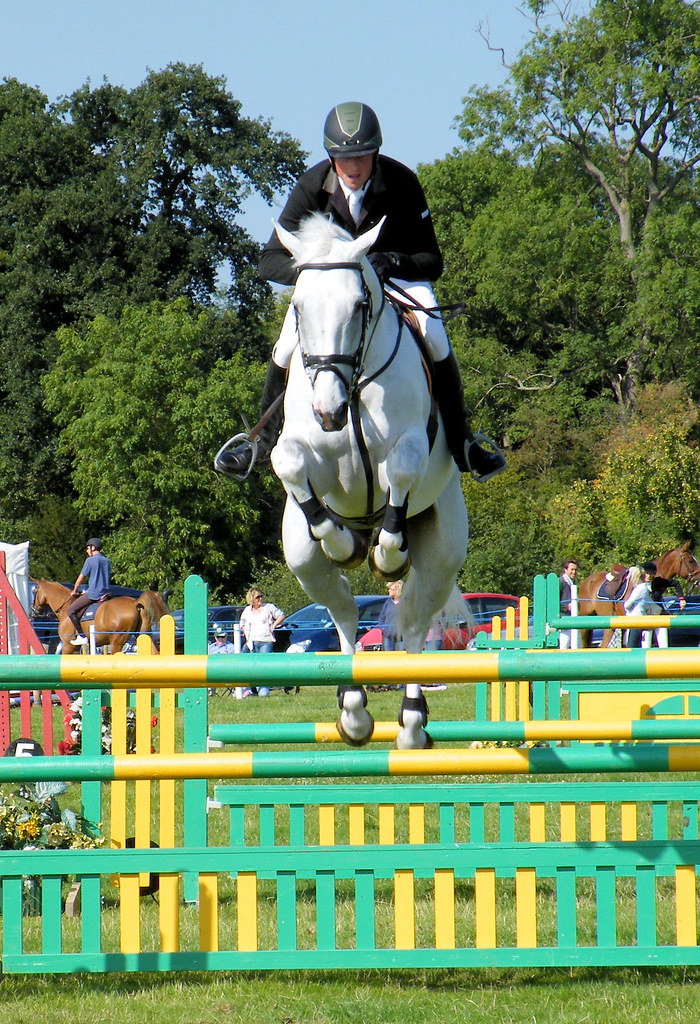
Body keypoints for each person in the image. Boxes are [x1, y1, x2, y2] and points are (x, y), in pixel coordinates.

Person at [214, 100, 506, 485]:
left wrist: (392, 262)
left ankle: (463, 443)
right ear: (331, 156)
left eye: (362, 157)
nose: (353, 167)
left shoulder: (403, 183)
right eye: (343, 158)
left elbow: (432, 260)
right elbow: (268, 260)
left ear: (376, 153)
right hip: (329, 295)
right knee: (286, 343)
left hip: (394, 282)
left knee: (435, 334)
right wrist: (316, 273)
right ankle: (259, 442)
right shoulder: (312, 186)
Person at [239, 588, 285, 697]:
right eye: (257, 597)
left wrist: (273, 625)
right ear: (252, 599)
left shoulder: (268, 607)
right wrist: (245, 630)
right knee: (249, 665)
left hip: (266, 641)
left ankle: (263, 691)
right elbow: (242, 623)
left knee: (263, 667)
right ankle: (248, 690)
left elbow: (281, 615)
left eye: (261, 596)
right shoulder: (247, 611)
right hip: (252, 643)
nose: (260, 599)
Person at [66, 538, 111, 646]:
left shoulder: (90, 560)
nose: (87, 551)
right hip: (106, 593)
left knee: (70, 610)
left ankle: (81, 636)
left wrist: (75, 590)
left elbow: (81, 578)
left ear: (93, 548)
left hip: (94, 594)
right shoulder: (107, 561)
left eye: (87, 548)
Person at [624, 562, 659, 648]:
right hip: (639, 620)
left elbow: (626, 605)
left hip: (635, 621)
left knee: (631, 646)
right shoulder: (645, 588)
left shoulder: (640, 588)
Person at [207, 626, 240, 697]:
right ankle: (211, 692)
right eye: (218, 637)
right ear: (215, 637)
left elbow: (234, 661)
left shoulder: (231, 647)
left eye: (222, 637)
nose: (220, 639)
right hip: (212, 670)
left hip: (226, 670)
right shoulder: (211, 647)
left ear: (226, 636)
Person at [377, 580, 404, 652]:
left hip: (402, 638)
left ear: (397, 590)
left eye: (390, 589)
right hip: (388, 637)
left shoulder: (405, 603)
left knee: (401, 659)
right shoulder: (388, 602)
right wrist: (383, 629)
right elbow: (381, 618)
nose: (388, 591)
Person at [558, 558, 579, 650]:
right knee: (564, 645)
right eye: (572, 570)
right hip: (563, 619)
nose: (574, 572)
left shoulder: (572, 582)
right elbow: (554, 602)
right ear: (565, 570)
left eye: (575, 570)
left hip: (572, 618)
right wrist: (567, 606)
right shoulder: (561, 582)